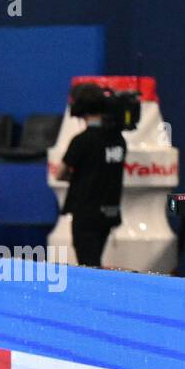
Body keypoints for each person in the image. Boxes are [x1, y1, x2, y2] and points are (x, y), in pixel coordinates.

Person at [56, 83, 126, 268]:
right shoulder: (119, 140)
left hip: (86, 213)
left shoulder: (82, 141)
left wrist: (77, 176)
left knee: (88, 265)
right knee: (94, 261)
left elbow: (60, 173)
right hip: (109, 211)